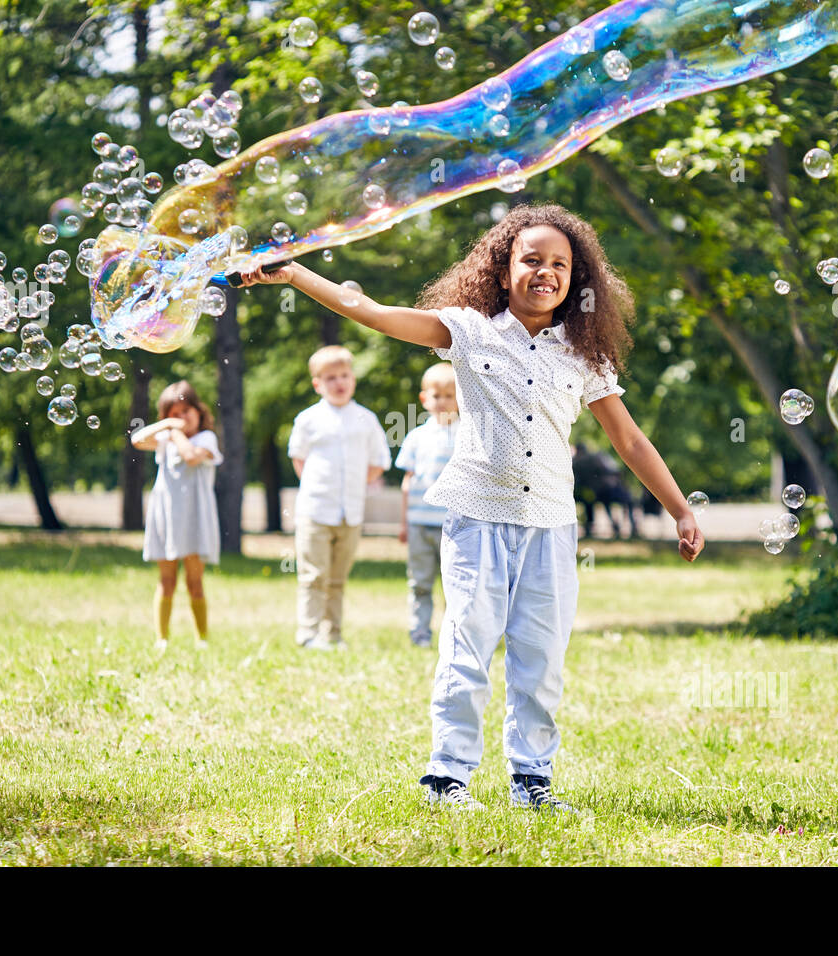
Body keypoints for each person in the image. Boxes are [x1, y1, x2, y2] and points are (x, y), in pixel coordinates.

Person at [238, 203, 704, 813]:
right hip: (476, 518)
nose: (546, 272)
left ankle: (532, 782)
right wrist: (295, 275)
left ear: (577, 277)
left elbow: (630, 440)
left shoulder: (584, 354)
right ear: (502, 266)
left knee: (541, 658)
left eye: (560, 264)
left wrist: (680, 508)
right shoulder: (468, 329)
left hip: (551, 526)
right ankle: (447, 777)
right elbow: (371, 312)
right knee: (468, 646)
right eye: (531, 259)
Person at [288, 345, 392, 650]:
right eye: (330, 377)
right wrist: (321, 487)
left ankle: (332, 634)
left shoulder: (365, 419)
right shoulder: (308, 419)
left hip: (351, 512)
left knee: (337, 578)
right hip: (316, 509)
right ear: (318, 383)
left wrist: (355, 487)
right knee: (313, 574)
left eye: (344, 375)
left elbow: (377, 462)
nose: (339, 382)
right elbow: (300, 460)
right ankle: (308, 634)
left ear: (353, 379)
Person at [132, 380, 223, 653]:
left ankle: (202, 638)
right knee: (166, 581)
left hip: (195, 517)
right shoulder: (167, 437)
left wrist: (175, 432)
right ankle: (162, 638)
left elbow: (191, 457)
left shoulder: (206, 439)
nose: (182, 419)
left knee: (194, 582)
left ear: (199, 411)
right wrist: (166, 427)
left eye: (187, 411)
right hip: (167, 516)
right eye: (174, 413)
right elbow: (137, 439)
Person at [395, 362, 460, 648]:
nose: (443, 402)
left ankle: (454, 636)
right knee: (420, 582)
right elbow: (407, 482)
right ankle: (419, 632)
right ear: (425, 399)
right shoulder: (416, 437)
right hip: (420, 523)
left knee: (455, 585)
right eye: (437, 396)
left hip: (454, 525)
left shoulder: (467, 435)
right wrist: (403, 522)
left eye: (450, 395)